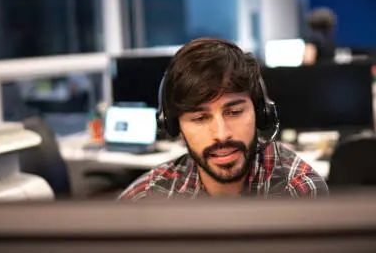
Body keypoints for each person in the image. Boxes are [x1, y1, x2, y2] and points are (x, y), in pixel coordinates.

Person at [118, 38, 329, 200]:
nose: (221, 134)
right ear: (174, 126)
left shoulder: (299, 193)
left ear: (260, 112)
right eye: (200, 118)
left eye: (235, 112)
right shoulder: (146, 199)